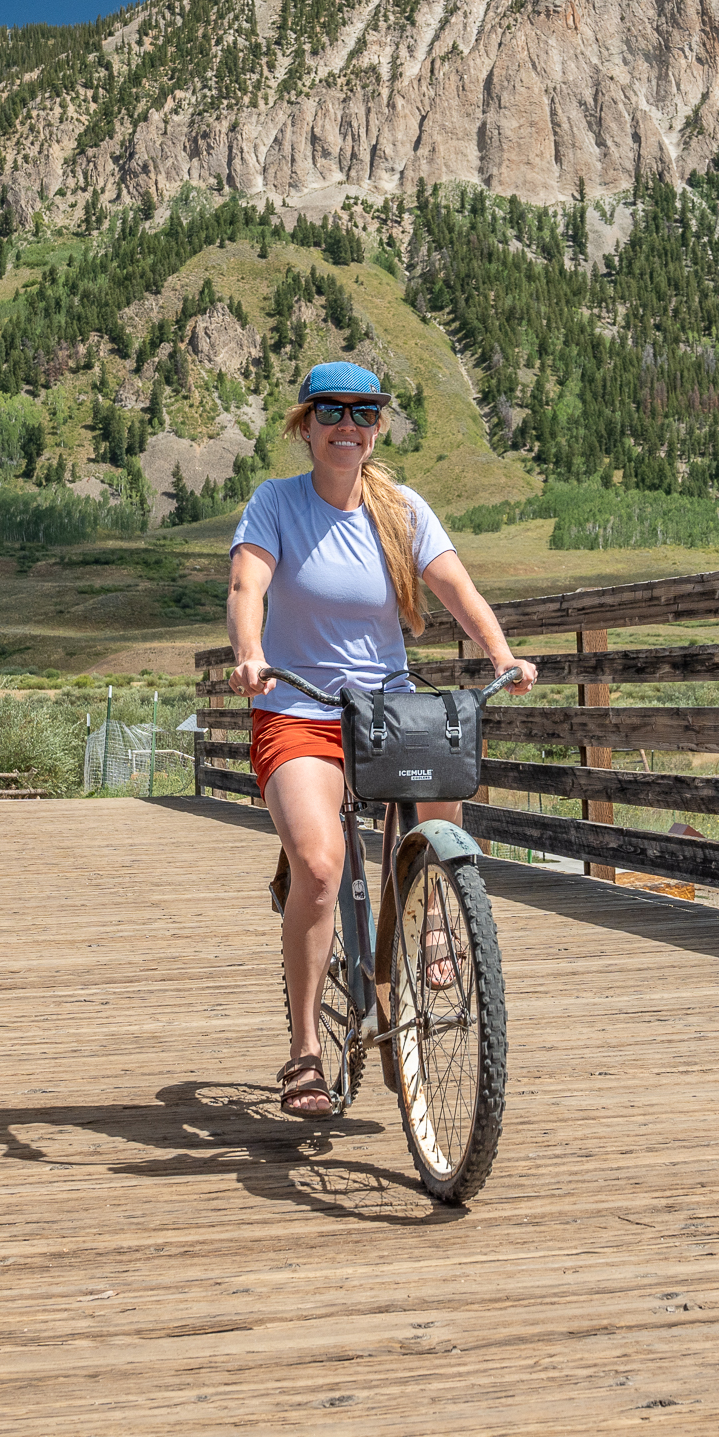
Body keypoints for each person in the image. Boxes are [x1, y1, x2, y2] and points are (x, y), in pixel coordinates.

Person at [225, 360, 534, 1118]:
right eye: (330, 412)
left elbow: (457, 589)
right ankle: (303, 1052)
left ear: (379, 428)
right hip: (298, 708)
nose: (347, 426)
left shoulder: (401, 510)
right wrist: (249, 654)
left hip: (386, 709)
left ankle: (433, 922)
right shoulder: (276, 504)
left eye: (364, 414)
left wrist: (501, 654)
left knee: (437, 805)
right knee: (323, 867)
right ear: (305, 426)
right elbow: (247, 587)